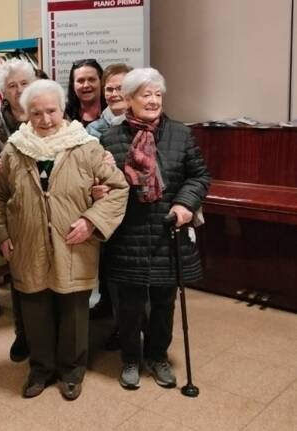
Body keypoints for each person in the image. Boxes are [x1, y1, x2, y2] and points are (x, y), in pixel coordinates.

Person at [0, 79, 129, 400]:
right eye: (36, 113)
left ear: (62, 108)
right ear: (26, 114)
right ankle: (40, 370)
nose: (45, 119)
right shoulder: (15, 148)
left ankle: (71, 371)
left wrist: (91, 222)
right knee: (35, 312)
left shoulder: (85, 145)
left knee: (73, 313)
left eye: (51, 111)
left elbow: (118, 189)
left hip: (74, 244)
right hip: (27, 245)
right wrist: (2, 237)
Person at [99, 67, 210, 390]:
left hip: (167, 231)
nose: (153, 100)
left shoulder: (181, 134)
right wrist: (99, 187)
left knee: (164, 303)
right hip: (128, 236)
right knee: (130, 308)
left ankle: (158, 357)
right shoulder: (110, 138)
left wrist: (185, 204)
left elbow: (199, 176)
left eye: (157, 94)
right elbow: (103, 182)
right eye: (145, 94)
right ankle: (131, 360)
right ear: (129, 99)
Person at [0, 58, 36, 357]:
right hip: (12, 208)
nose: (18, 90)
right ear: (2, 92)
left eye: (24, 84)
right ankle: (22, 334)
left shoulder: (46, 116)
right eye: (11, 86)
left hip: (45, 208)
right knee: (19, 274)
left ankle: (46, 334)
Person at [86, 63, 132, 328]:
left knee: (129, 278)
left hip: (136, 207)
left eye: (120, 88)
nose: (114, 94)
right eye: (109, 89)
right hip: (107, 206)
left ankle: (124, 325)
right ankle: (111, 314)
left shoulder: (146, 124)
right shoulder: (94, 129)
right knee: (109, 267)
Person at [65, 58, 106, 127]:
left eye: (91, 79)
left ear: (101, 81)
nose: (86, 85)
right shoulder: (64, 114)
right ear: (73, 85)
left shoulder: (112, 111)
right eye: (80, 80)